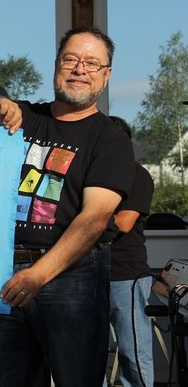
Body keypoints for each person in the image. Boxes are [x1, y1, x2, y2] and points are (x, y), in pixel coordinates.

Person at [0, 26, 135, 386]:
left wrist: (38, 275)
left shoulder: (109, 139)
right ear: (56, 65)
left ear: (106, 77)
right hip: (2, 272)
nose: (79, 69)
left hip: (71, 277)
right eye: (71, 59)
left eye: (92, 63)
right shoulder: (20, 116)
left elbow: (93, 220)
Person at [107, 115, 155, 387]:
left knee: (134, 355)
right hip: (88, 274)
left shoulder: (138, 175)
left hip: (126, 277)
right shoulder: (94, 174)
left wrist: (84, 222)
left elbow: (124, 222)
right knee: (85, 354)